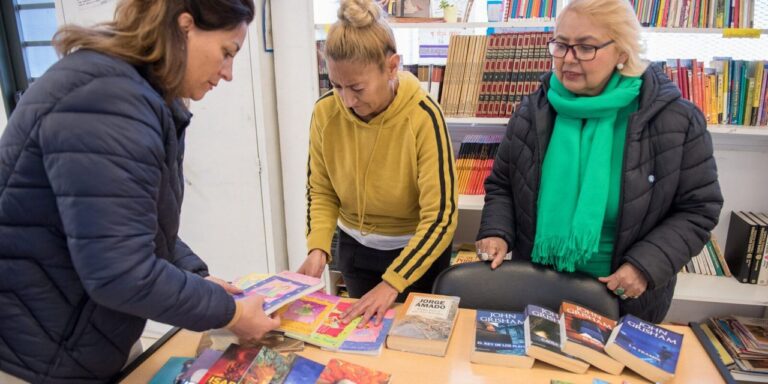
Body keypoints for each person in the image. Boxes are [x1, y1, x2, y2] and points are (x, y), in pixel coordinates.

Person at [0, 1, 280, 382]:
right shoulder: (109, 101)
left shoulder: (127, 91)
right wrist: (229, 313)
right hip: (40, 355)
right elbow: (121, 272)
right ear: (184, 27)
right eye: (226, 52)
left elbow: (130, 223)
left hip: (77, 337)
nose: (227, 73)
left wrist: (194, 276)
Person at [475, 0, 723, 323]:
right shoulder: (532, 111)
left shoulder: (675, 120)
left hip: (624, 301)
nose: (568, 59)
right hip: (536, 291)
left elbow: (699, 208)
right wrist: (497, 232)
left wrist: (645, 266)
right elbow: (503, 185)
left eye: (585, 48)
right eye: (561, 45)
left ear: (622, 52)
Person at [298, 0, 457, 326]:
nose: (347, 101)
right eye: (336, 85)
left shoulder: (424, 116)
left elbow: (440, 217)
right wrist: (317, 249)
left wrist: (393, 282)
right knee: (364, 343)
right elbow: (322, 190)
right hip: (355, 250)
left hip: (417, 255)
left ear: (392, 66)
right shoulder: (325, 112)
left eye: (357, 88)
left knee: (415, 351)